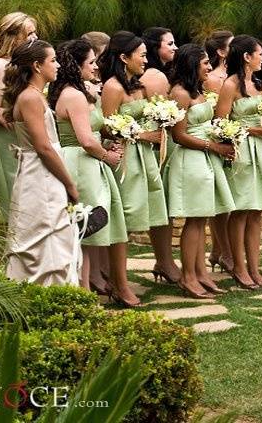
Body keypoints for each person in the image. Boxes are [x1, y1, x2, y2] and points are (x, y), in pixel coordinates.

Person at [51, 39, 134, 302]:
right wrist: (107, 156)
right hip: (81, 162)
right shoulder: (73, 95)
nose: (96, 66)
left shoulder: (75, 91)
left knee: (90, 228)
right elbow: (86, 140)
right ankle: (83, 291)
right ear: (76, 65)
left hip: (88, 162)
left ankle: (89, 288)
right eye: (90, 62)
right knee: (86, 227)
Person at [99, 32, 170, 298]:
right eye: (141, 55)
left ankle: (118, 279)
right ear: (123, 57)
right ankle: (119, 283)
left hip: (145, 159)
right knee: (123, 219)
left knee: (142, 215)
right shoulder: (112, 87)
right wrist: (140, 135)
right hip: (124, 158)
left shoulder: (138, 86)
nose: (145, 59)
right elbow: (106, 129)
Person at [3, 40, 79, 286]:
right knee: (45, 232)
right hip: (41, 176)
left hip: (40, 172)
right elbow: (44, 148)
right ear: (37, 65)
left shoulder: (34, 95)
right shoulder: (30, 98)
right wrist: (70, 184)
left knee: (51, 234)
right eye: (53, 60)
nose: (58, 65)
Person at [164, 44, 235, 298]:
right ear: (192, 63)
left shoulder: (199, 91)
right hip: (190, 161)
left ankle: (201, 273)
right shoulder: (180, 94)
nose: (209, 67)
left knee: (202, 218)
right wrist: (213, 146)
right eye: (205, 62)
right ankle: (188, 277)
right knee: (193, 220)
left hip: (206, 158)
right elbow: (179, 135)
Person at [214, 35, 262, 289]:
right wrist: (254, 131)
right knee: (241, 210)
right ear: (246, 57)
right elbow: (220, 123)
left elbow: (261, 119)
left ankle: (255, 269)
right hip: (242, 151)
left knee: (257, 211)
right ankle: (238, 268)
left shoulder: (260, 85)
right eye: (260, 53)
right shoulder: (230, 85)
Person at [137, 27, 181, 283]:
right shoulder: (154, 76)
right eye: (170, 43)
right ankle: (164, 260)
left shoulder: (162, 73)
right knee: (163, 207)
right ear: (156, 47)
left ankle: (164, 260)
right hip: (159, 147)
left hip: (163, 143)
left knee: (166, 208)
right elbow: (162, 115)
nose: (175, 47)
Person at [0, 12, 38, 220]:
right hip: (6, 141)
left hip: (26, 140)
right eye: (29, 33)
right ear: (14, 37)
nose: (35, 38)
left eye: (35, 33)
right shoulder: (0, 66)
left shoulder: (25, 68)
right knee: (12, 197)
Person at [202, 29, 235, 274]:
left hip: (238, 138)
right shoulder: (214, 79)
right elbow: (216, 114)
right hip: (221, 139)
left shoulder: (236, 77)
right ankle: (224, 251)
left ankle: (217, 250)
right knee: (221, 201)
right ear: (221, 52)